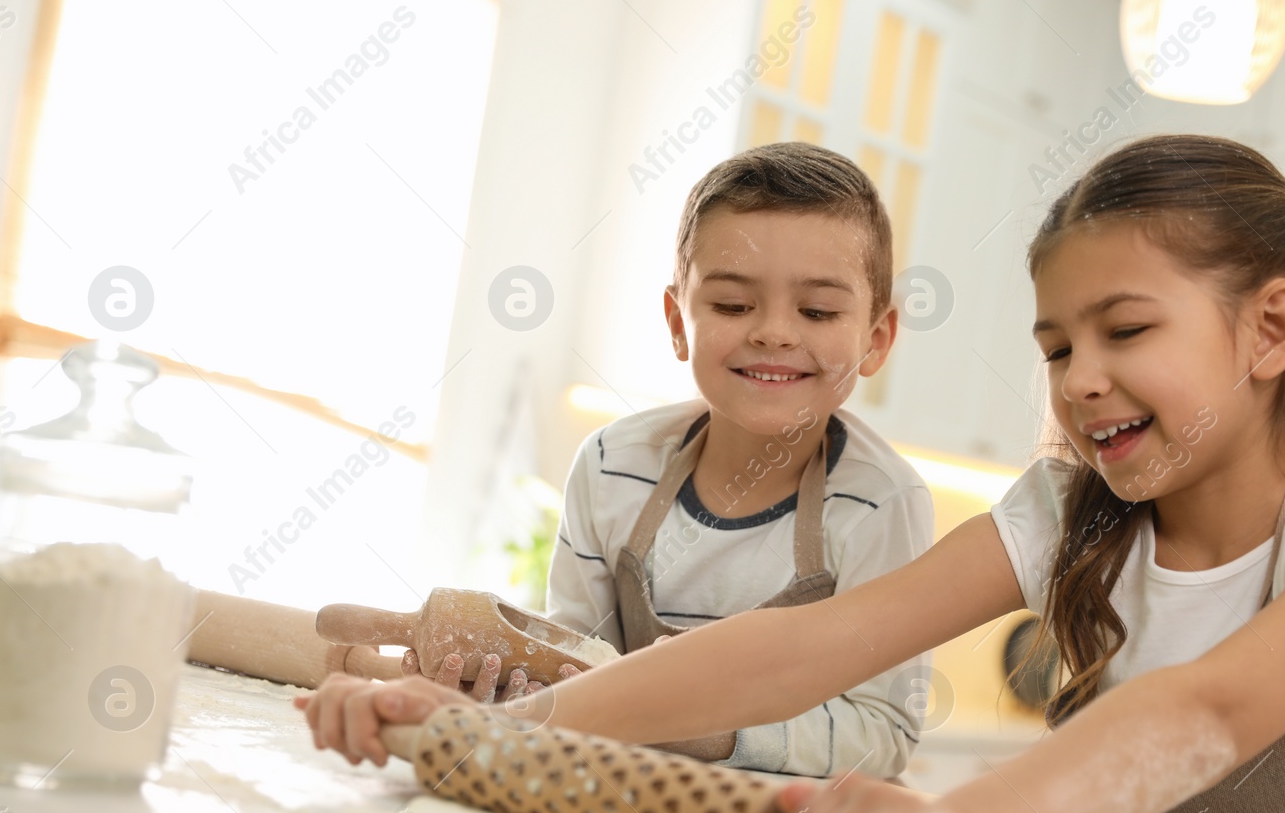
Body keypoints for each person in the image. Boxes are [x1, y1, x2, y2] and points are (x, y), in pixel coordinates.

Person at [300, 134, 1285, 813]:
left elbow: (1212, 709)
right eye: (1056, 345)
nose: (1080, 376)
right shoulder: (1072, 509)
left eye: (1125, 330)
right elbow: (806, 646)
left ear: (1271, 330)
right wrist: (513, 730)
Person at [304, 141, 935, 778]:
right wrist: (497, 688)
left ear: (876, 339)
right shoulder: (612, 467)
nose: (774, 332)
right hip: (610, 793)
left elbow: (881, 732)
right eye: (732, 305)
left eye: (818, 311)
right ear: (677, 321)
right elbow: (567, 662)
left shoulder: (882, 505)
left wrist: (700, 729)